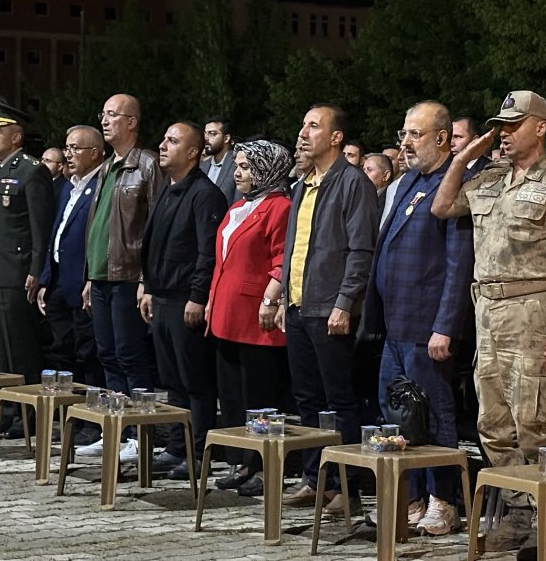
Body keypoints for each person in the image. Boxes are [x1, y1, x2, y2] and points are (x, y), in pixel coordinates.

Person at [431, 90, 546, 557]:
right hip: (488, 310)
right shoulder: (489, 178)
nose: (503, 133)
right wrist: (463, 157)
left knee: (536, 422)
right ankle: (519, 513)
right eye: (500, 125)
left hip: (536, 309)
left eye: (513, 124)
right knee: (494, 423)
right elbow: (442, 206)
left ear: (540, 127)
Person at [364, 101, 473, 536]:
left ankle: (443, 500)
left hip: (427, 326)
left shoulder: (454, 183)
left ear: (442, 138)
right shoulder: (410, 180)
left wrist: (445, 325)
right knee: (397, 414)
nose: (405, 143)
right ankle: (410, 498)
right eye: (404, 134)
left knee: (434, 414)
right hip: (395, 324)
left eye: (415, 134)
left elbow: (458, 262)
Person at [277, 103, 377, 517]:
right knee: (307, 398)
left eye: (314, 126)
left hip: (330, 309)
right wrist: (284, 297)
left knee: (339, 401)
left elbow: (360, 250)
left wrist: (344, 303)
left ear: (336, 137)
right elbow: (294, 247)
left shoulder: (352, 183)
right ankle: (315, 479)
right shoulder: (303, 184)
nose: (303, 133)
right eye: (303, 125)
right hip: (300, 304)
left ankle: (347, 487)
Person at [76, 94, 163, 462]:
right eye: (104, 113)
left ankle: (142, 436)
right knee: (107, 354)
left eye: (113, 115)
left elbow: (155, 226)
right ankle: (116, 428)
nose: (105, 120)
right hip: (101, 276)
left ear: (132, 122)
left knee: (130, 355)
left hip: (128, 275)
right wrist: (89, 277)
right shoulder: (107, 167)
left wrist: (147, 279)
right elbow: (98, 226)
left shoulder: (147, 165)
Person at [140, 121, 227, 481]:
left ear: (193, 152)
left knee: (195, 381)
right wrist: (147, 285)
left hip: (185, 300)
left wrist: (197, 296)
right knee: (171, 380)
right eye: (163, 138)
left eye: (172, 141)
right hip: (161, 297)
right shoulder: (167, 187)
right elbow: (154, 242)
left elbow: (208, 252)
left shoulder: (205, 194)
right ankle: (176, 446)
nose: (162, 145)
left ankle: (197, 450)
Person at [206, 139, 293, 498]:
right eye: (237, 166)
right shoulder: (239, 206)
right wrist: (212, 299)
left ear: (265, 168)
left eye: (245, 166)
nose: (237, 173)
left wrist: (271, 300)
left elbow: (281, 259)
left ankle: (263, 465)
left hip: (257, 315)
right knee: (232, 394)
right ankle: (241, 461)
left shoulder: (280, 206)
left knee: (260, 394)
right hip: (226, 312)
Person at [0, 102, 54, 389]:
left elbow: (40, 227)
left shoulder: (31, 170)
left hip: (15, 270)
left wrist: (36, 269)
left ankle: (25, 405)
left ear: (16, 137)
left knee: (19, 345)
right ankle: (6, 403)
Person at [37, 125, 105, 445]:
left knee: (87, 353)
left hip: (82, 283)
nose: (68, 154)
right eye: (66, 148)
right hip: (58, 282)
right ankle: (69, 417)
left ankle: (91, 421)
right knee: (61, 351)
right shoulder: (66, 186)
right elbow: (56, 232)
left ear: (95, 153)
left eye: (75, 148)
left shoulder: (100, 186)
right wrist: (45, 278)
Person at [200, 116, 239, 205]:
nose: (206, 138)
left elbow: (238, 203)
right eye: (205, 134)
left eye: (212, 134)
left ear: (226, 138)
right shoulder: (202, 166)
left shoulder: (237, 165)